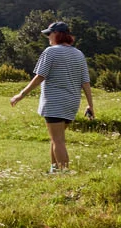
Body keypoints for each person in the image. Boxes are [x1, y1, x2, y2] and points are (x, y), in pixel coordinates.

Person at [8, 19, 95, 173]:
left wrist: (20, 95)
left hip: (54, 102)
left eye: (49, 34)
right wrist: (90, 105)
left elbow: (40, 76)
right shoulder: (78, 54)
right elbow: (85, 82)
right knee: (56, 138)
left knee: (58, 140)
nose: (48, 37)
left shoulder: (51, 52)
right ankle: (53, 170)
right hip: (71, 103)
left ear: (57, 34)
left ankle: (64, 173)